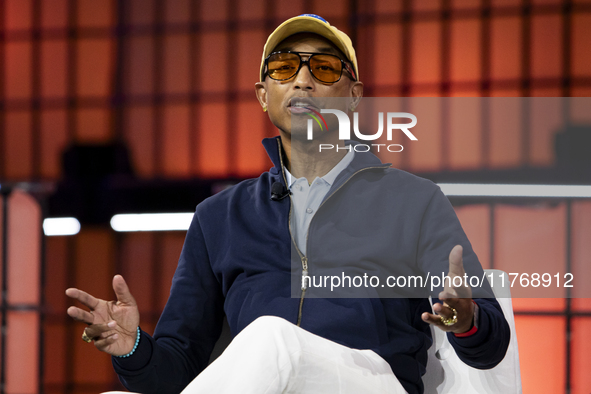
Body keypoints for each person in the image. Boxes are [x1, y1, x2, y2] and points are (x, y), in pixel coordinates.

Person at [66, 14, 510, 394]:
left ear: (354, 97)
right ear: (263, 96)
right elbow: (177, 369)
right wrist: (135, 349)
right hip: (269, 382)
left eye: (324, 68)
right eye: (283, 69)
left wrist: (466, 319)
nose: (302, 80)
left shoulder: (413, 200)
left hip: (371, 381)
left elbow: (490, 344)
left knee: (272, 339)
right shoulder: (218, 217)